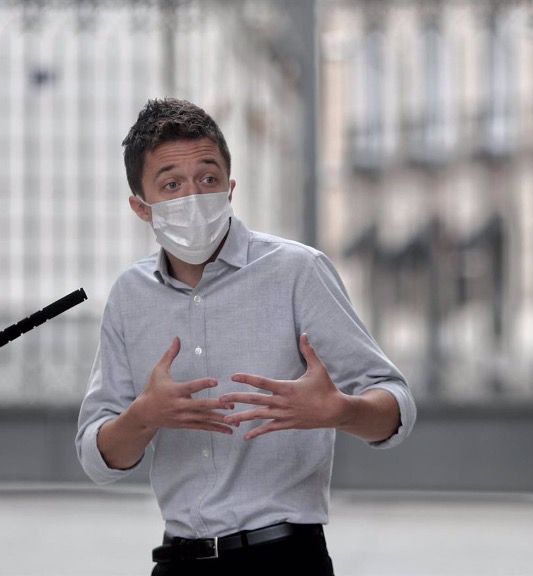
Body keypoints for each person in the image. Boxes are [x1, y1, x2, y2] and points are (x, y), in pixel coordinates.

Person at [76, 98, 415, 575]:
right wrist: (144, 416)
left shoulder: (299, 272)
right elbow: (98, 455)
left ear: (230, 188)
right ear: (141, 207)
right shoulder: (130, 296)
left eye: (207, 179)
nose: (193, 196)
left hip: (284, 558)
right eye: (171, 184)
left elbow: (397, 407)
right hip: (178, 560)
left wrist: (341, 410)